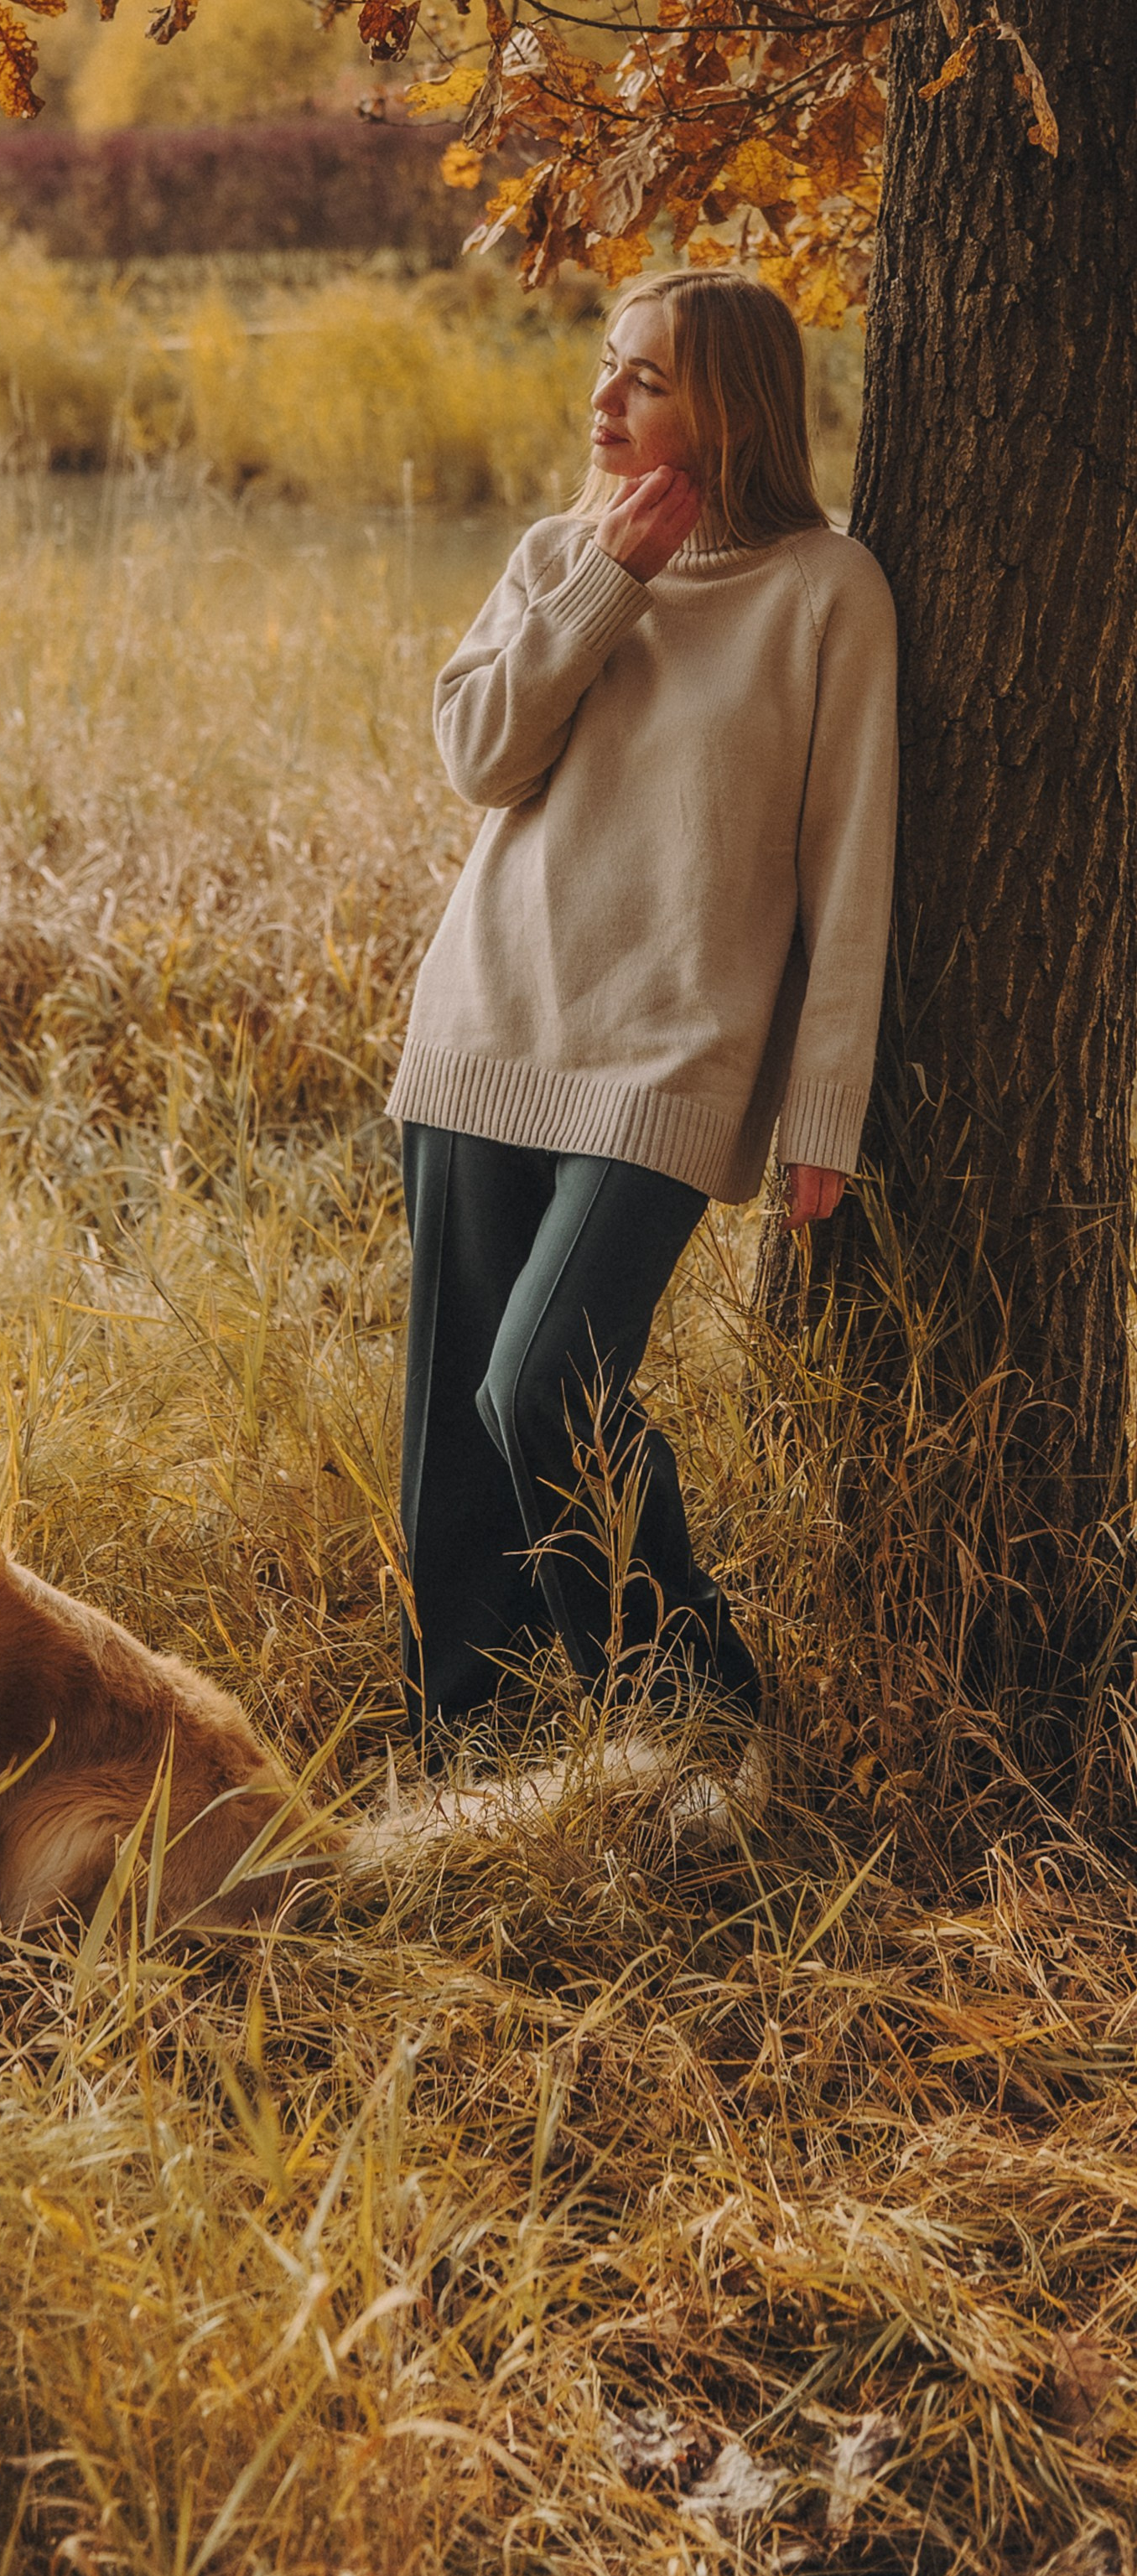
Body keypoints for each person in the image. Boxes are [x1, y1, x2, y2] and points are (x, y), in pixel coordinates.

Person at [387, 267, 897, 1777]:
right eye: (606, 371)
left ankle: (697, 1719)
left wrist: (823, 1112)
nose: (602, 402)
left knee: (542, 1385)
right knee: (452, 1439)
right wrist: (603, 584)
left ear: (728, 404)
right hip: (485, 1028)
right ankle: (470, 1743)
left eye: (645, 380)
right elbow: (479, 754)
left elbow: (848, 871)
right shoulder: (562, 552)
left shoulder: (827, 592)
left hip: (670, 1066)